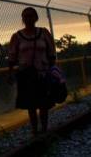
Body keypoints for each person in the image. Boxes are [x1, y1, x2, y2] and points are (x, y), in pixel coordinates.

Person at [8, 7, 56, 136]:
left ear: (36, 18)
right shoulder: (17, 36)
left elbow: (52, 53)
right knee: (31, 105)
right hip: (26, 75)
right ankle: (34, 130)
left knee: (44, 104)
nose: (28, 18)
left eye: (31, 16)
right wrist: (11, 72)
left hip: (43, 73)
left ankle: (44, 129)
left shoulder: (44, 33)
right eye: (25, 16)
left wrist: (52, 70)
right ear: (22, 19)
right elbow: (12, 56)